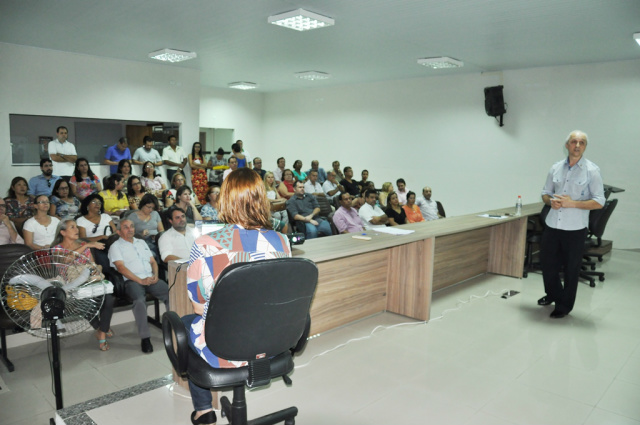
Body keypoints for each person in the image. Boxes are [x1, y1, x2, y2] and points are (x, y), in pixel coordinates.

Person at [184, 167, 291, 424]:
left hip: (224, 349)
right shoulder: (282, 242)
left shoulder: (205, 245)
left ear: (225, 199)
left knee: (185, 325)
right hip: (273, 343)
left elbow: (199, 308)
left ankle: (203, 409)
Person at [538, 130, 605, 319]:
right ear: (567, 145)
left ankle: (564, 305)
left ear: (585, 147)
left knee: (571, 268)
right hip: (553, 224)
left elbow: (599, 201)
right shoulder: (555, 168)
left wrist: (572, 203)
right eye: (574, 141)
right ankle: (553, 294)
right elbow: (545, 193)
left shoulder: (592, 171)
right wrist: (550, 201)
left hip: (575, 228)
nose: (577, 145)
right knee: (548, 263)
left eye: (582, 142)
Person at [51, 219, 113, 351]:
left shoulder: (83, 244)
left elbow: (92, 266)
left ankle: (101, 331)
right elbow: (67, 260)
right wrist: (86, 246)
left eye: (76, 227)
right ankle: (101, 329)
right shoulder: (56, 249)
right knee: (86, 302)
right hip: (71, 286)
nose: (76, 230)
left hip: (89, 281)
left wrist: (86, 248)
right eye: (72, 227)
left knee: (109, 298)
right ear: (62, 232)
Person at [109, 219, 169, 353]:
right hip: (132, 281)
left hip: (150, 278)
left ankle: (173, 328)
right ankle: (145, 338)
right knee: (139, 301)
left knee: (171, 294)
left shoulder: (141, 242)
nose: (130, 229)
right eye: (125, 227)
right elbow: (121, 268)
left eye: (132, 226)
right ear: (118, 231)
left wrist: (156, 275)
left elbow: (153, 261)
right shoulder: (116, 246)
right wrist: (140, 281)